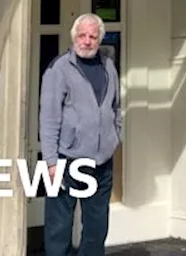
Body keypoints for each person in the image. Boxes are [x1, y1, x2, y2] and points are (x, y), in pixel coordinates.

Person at [39, 13, 122, 256]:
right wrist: (51, 162)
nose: (87, 41)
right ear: (74, 37)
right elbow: (49, 118)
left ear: (100, 40)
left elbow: (116, 107)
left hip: (101, 162)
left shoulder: (108, 67)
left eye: (92, 36)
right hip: (66, 159)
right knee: (59, 228)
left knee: (97, 228)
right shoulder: (59, 69)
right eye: (82, 36)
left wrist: (113, 138)